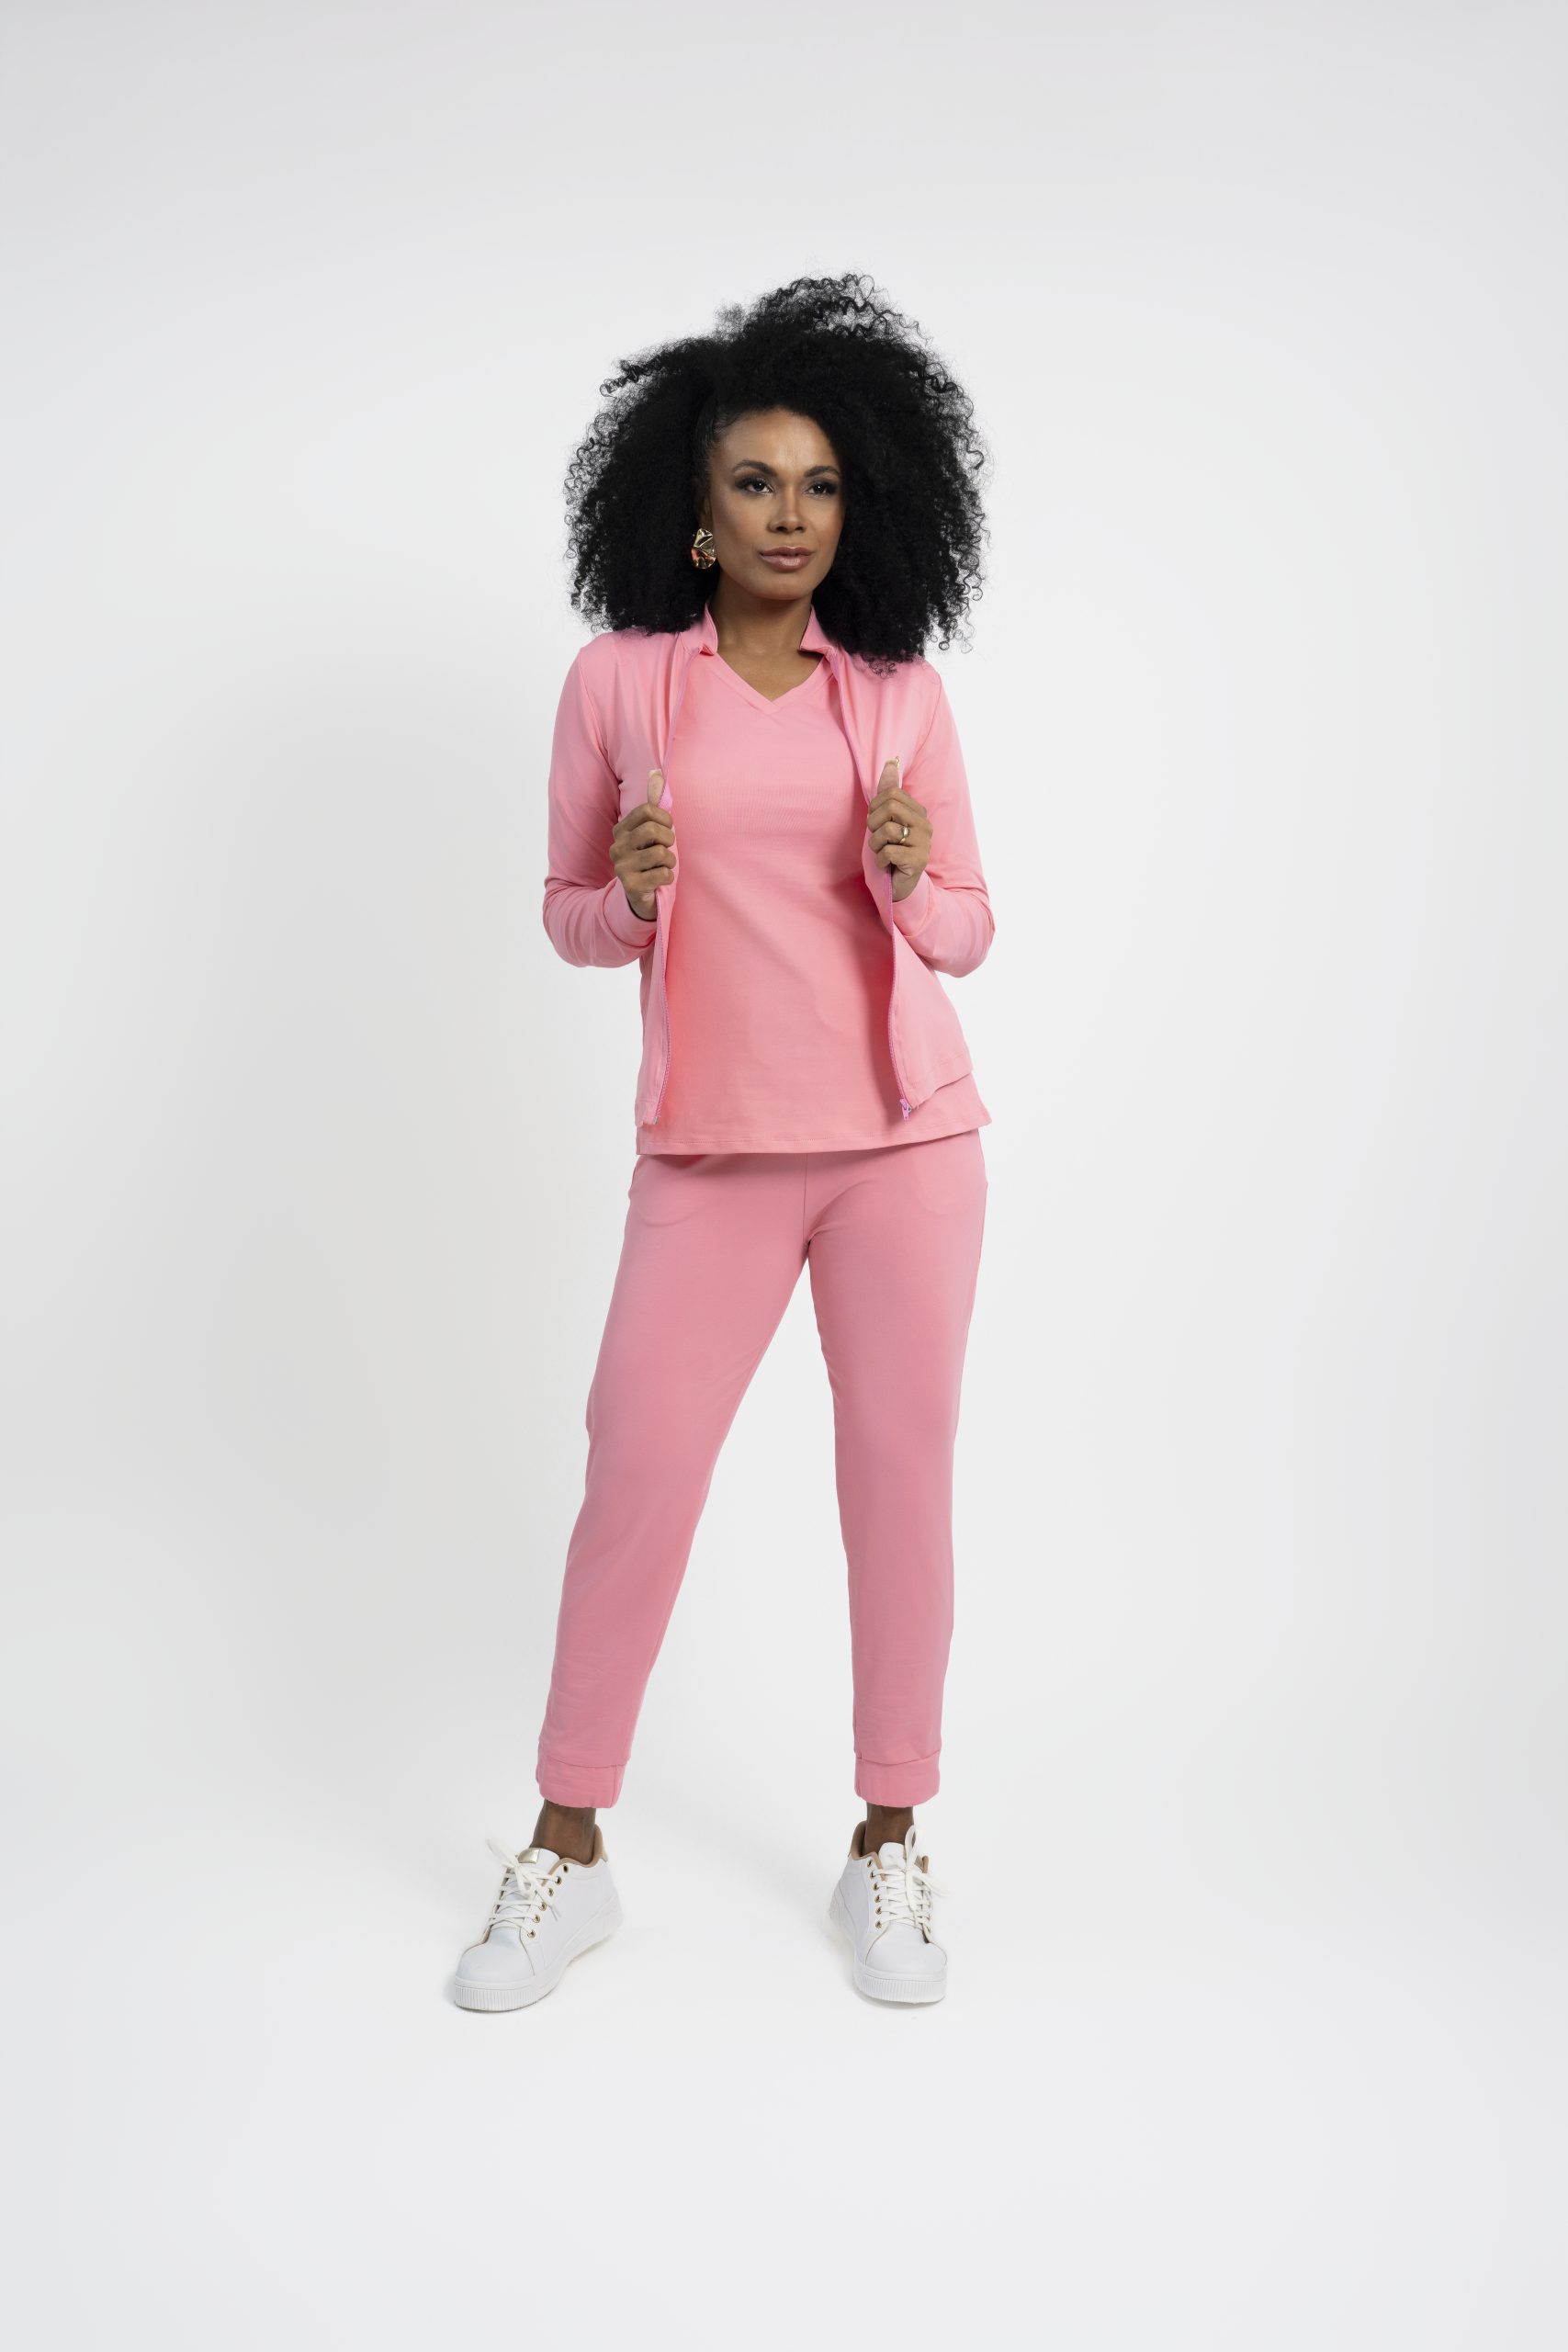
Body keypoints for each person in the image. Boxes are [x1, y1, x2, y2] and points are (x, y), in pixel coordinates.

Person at [455, 271, 995, 2012]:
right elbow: (565, 910)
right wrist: (625, 901)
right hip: (708, 1156)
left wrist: (908, 879)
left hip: (905, 1149)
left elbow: (972, 927)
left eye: (821, 485)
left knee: (897, 1481)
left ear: (865, 505)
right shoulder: (620, 686)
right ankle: (569, 1847)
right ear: (691, 505)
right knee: (637, 1469)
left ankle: (890, 1838)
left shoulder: (896, 692)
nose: (789, 514)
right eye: (756, 481)